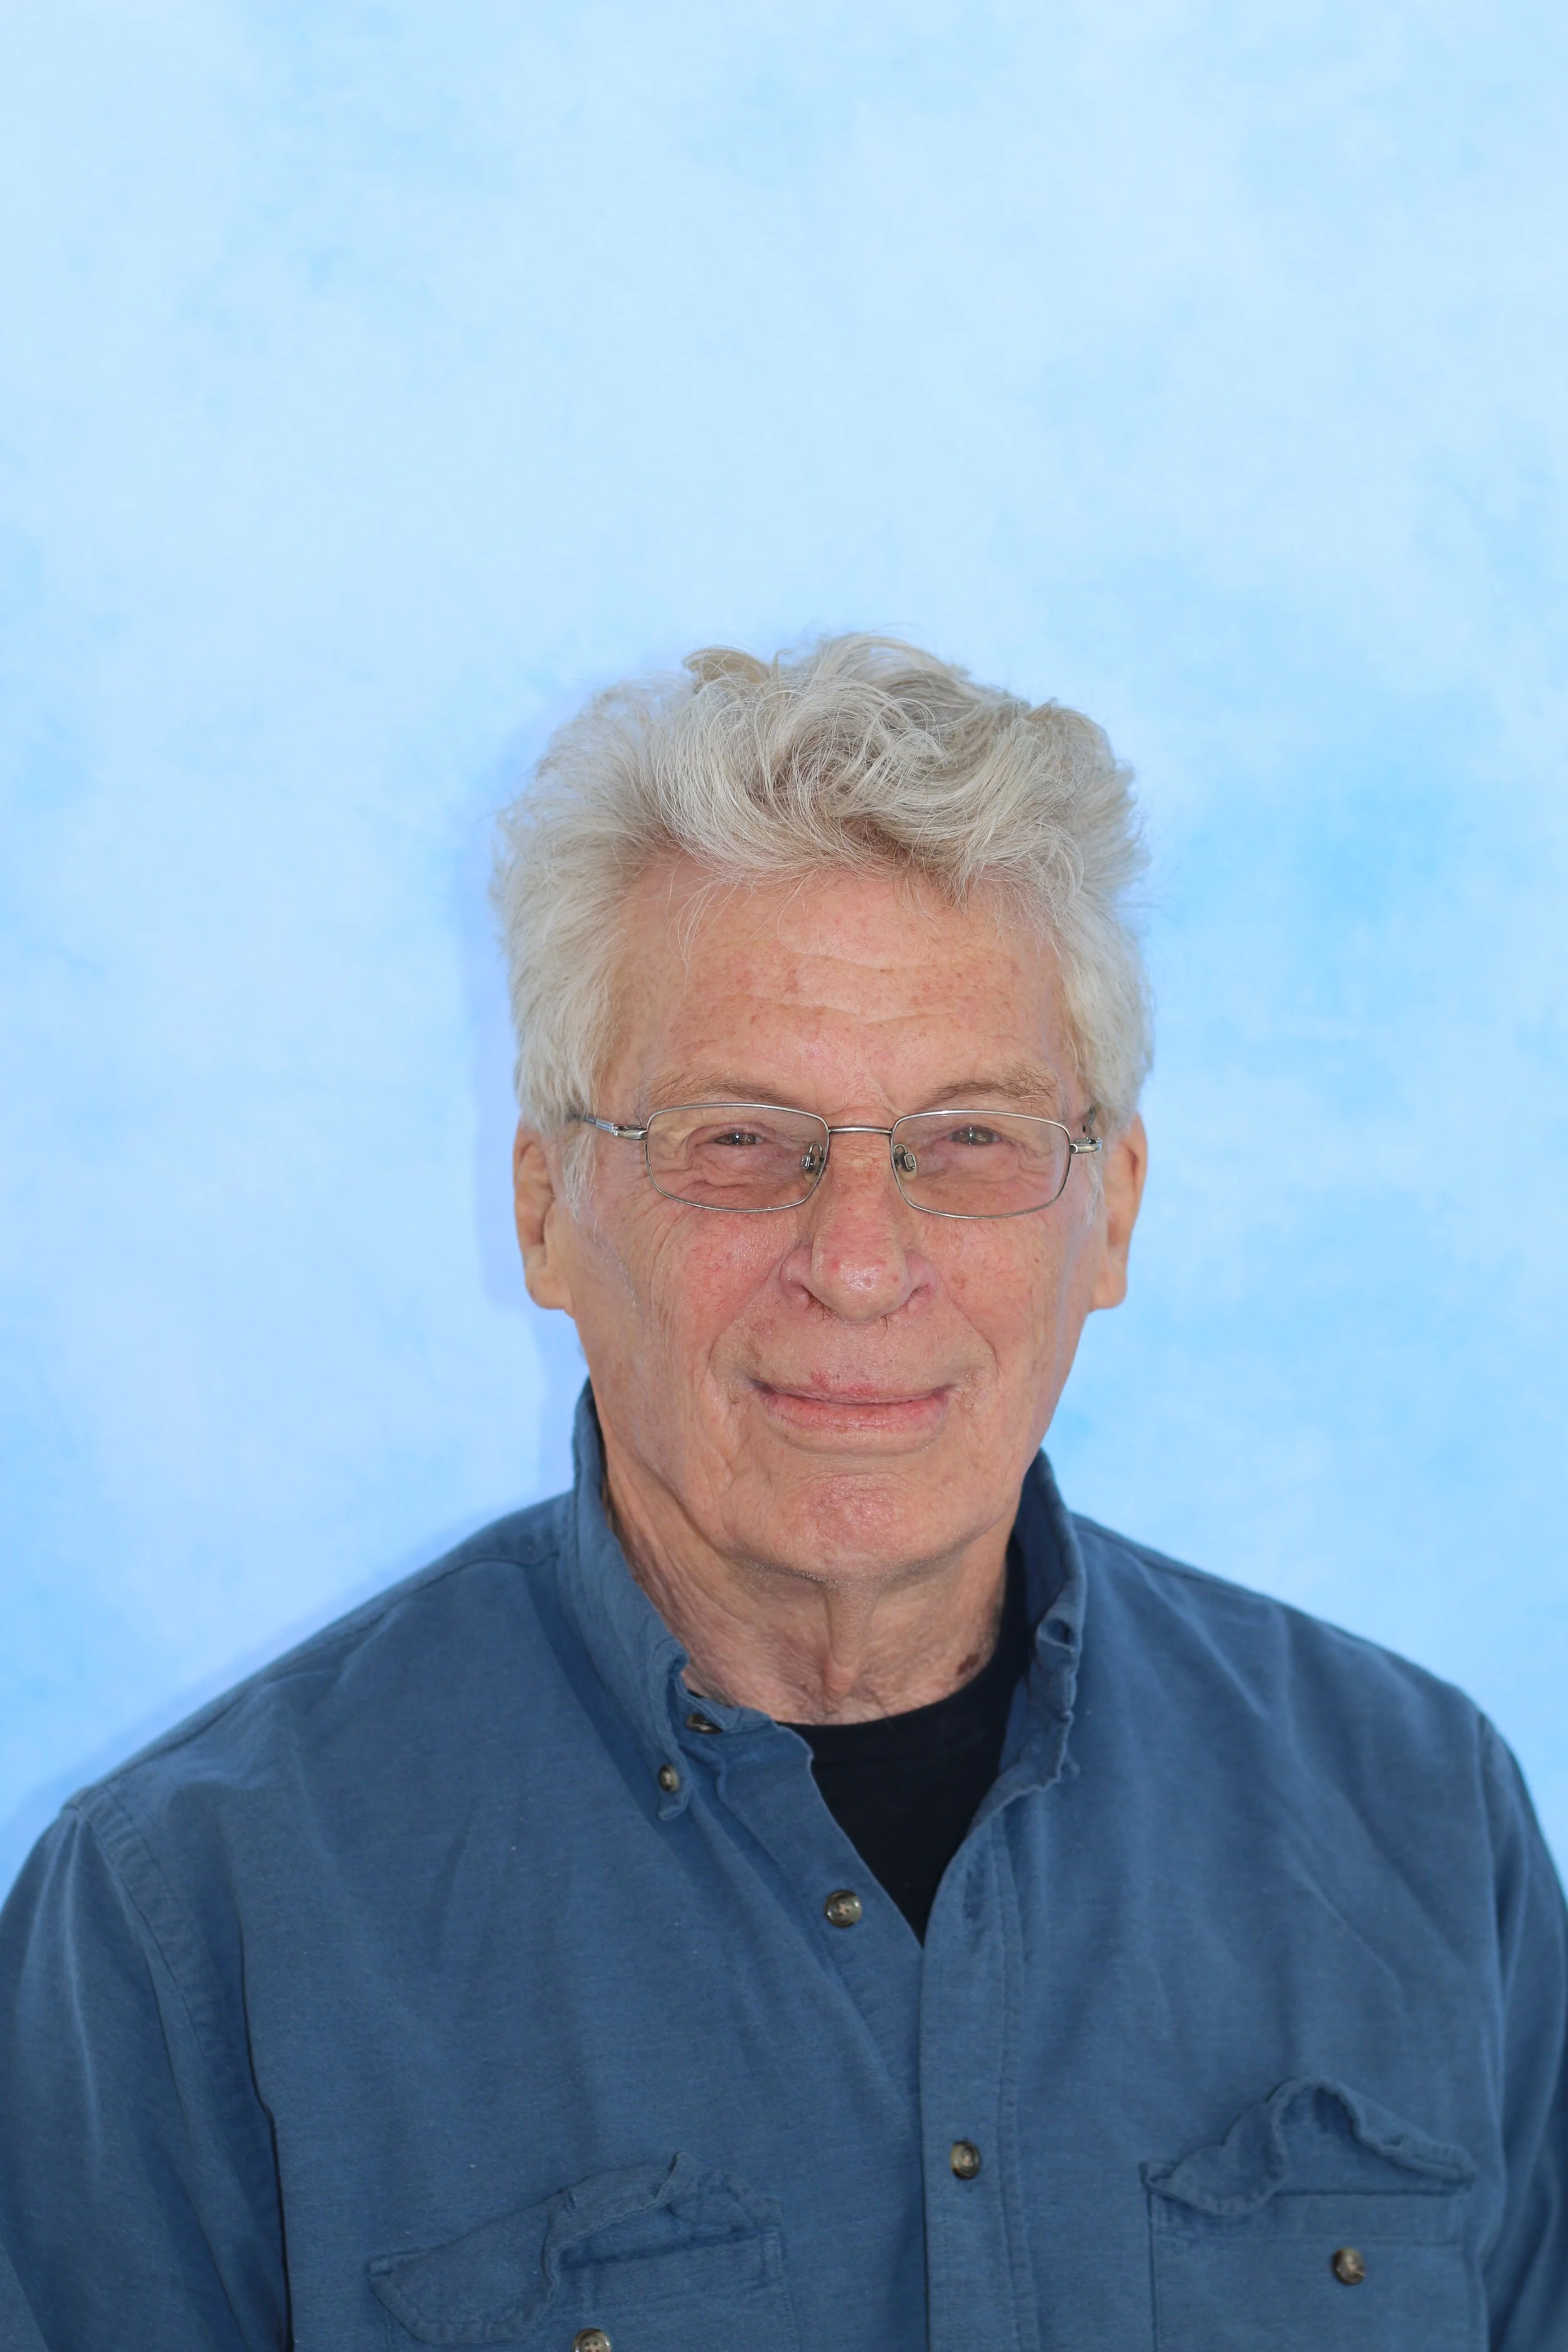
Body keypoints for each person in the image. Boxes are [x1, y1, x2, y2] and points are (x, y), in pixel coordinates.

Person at [1, 636, 1563, 2352]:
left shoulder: (1424, 1825)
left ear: (1106, 1210)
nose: (860, 1259)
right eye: (740, 1139)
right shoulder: (186, 1930)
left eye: (966, 1138)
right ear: (543, 1210)